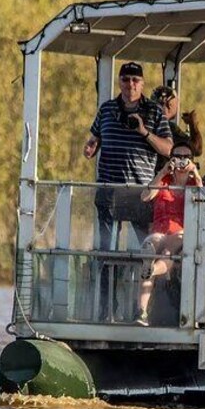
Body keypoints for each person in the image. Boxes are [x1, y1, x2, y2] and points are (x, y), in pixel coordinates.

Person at [83, 61, 173, 321]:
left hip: (140, 195)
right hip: (109, 192)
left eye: (135, 80)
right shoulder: (107, 109)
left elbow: (168, 149)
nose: (130, 85)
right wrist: (91, 147)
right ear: (119, 82)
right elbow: (94, 138)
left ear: (142, 84)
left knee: (147, 252)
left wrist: (144, 131)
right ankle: (104, 312)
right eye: (125, 80)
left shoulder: (154, 111)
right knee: (104, 253)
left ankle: (148, 311)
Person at [135, 142, 202, 326]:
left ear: (191, 160)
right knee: (152, 246)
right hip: (159, 231)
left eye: (185, 157)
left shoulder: (192, 184)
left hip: (181, 233)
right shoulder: (163, 181)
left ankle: (151, 270)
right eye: (177, 157)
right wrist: (163, 172)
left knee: (166, 253)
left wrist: (195, 175)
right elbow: (145, 196)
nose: (181, 161)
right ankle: (141, 311)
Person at [151, 85, 203, 172]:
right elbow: (197, 149)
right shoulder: (168, 128)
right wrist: (192, 124)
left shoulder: (145, 125)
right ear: (170, 105)